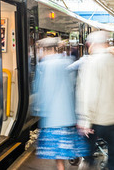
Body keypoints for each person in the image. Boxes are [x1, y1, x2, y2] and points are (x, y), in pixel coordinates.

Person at [32, 38, 89, 170]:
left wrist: (38, 110)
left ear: (45, 49)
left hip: (53, 117)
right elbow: (74, 87)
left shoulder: (43, 66)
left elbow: (42, 90)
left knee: (57, 152)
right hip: (68, 115)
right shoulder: (67, 62)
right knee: (65, 148)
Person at [77, 31, 114, 170]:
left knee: (88, 156)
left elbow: (89, 93)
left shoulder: (91, 63)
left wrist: (85, 120)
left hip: (97, 120)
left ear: (91, 44)